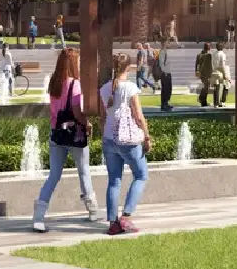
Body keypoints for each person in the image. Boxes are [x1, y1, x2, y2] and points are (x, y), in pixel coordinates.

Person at [32, 48, 99, 231]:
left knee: (53, 176)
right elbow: (77, 111)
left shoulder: (54, 82)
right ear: (73, 64)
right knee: (83, 171)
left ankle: (39, 216)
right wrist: (87, 124)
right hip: (74, 134)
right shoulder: (74, 84)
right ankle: (92, 210)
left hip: (56, 133)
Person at [98, 53, 152, 235]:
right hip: (128, 140)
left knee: (114, 181)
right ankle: (126, 215)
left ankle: (113, 223)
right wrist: (147, 136)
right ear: (128, 68)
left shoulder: (105, 88)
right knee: (141, 175)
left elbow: (103, 117)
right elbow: (138, 115)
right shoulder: (130, 87)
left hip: (109, 138)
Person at [210, 43, 231, 107]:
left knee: (216, 88)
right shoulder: (222, 54)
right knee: (227, 85)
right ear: (222, 47)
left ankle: (216, 103)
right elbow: (222, 65)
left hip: (214, 72)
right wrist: (225, 75)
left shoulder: (213, 54)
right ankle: (222, 101)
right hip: (220, 72)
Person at [156, 41, 173, 111]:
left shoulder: (165, 52)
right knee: (165, 89)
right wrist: (164, 72)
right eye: (168, 43)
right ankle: (164, 104)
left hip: (168, 73)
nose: (169, 44)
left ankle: (166, 103)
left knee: (169, 89)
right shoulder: (162, 52)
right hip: (165, 73)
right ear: (165, 44)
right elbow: (161, 63)